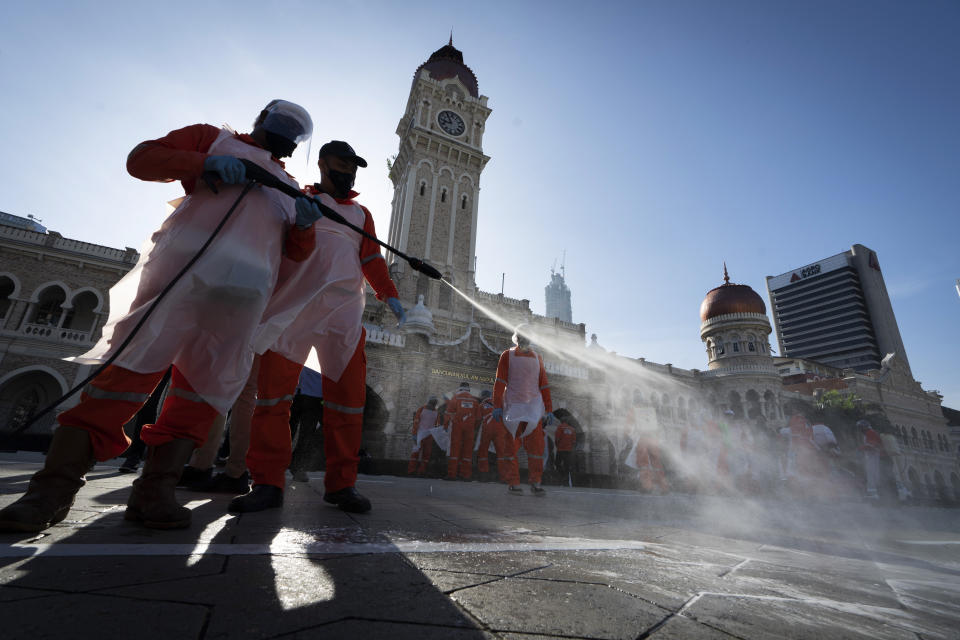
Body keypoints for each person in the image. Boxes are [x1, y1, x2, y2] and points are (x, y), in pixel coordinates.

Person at [0, 101, 318, 532]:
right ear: (260, 120)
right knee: (125, 377)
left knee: (201, 396)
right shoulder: (213, 138)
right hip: (178, 280)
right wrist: (207, 162)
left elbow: (297, 254)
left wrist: (304, 226)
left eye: (292, 131)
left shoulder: (289, 186)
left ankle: (154, 493)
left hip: (240, 303)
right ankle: (49, 493)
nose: (283, 133)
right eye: (281, 124)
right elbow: (142, 159)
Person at [229, 141, 404, 515]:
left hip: (342, 318)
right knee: (273, 400)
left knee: (348, 405)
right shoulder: (296, 200)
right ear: (323, 164)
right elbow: (288, 249)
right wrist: (304, 225)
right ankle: (266, 483)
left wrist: (389, 295)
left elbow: (371, 259)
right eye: (343, 163)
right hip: (293, 310)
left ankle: (342, 485)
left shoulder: (360, 214)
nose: (349, 172)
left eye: (354, 166)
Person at [493, 325, 553, 497]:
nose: (524, 340)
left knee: (536, 449)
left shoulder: (537, 358)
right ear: (517, 338)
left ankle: (536, 482)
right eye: (521, 337)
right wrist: (497, 405)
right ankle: (513, 483)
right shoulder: (507, 355)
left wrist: (548, 409)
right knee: (511, 447)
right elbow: (500, 382)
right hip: (513, 407)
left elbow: (544, 385)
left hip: (533, 408)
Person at [289, 366, 325, 483]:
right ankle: (282, 463)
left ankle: (297, 464)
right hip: (297, 390)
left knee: (307, 433)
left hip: (314, 392)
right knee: (288, 429)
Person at [444, 382, 481, 481]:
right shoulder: (475, 400)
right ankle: (466, 475)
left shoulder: (455, 398)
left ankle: (452, 474)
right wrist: (474, 428)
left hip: (457, 427)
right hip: (470, 428)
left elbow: (448, 414)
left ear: (459, 388)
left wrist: (446, 426)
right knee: (467, 451)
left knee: (454, 449)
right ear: (469, 389)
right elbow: (478, 418)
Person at [475, 390, 512, 482]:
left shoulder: (481, 405)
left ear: (483, 396)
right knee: (501, 454)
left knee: (483, 452)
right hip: (500, 429)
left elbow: (478, 419)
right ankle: (503, 477)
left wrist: (475, 430)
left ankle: (484, 476)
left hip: (487, 429)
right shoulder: (500, 404)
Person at [408, 397, 440, 476]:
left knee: (424, 454)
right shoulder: (427, 410)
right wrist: (415, 434)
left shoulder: (425, 410)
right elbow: (416, 422)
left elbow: (437, 425)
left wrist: (415, 433)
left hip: (425, 435)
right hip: (422, 435)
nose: (432, 405)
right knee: (419, 454)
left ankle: (419, 471)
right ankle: (414, 470)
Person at [858, 419, 883, 500]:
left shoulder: (870, 433)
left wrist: (861, 448)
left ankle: (873, 494)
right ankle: (875, 493)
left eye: (861, 427)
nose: (860, 430)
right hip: (872, 457)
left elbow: (873, 445)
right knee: (872, 474)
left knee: (872, 474)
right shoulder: (869, 433)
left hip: (873, 457)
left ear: (864, 427)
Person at [553, 419, 577, 485]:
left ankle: (562, 475)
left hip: (560, 449)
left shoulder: (560, 427)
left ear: (562, 421)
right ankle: (565, 478)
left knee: (557, 463)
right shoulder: (572, 429)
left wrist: (557, 445)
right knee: (567, 465)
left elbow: (557, 438)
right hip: (569, 450)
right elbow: (574, 441)